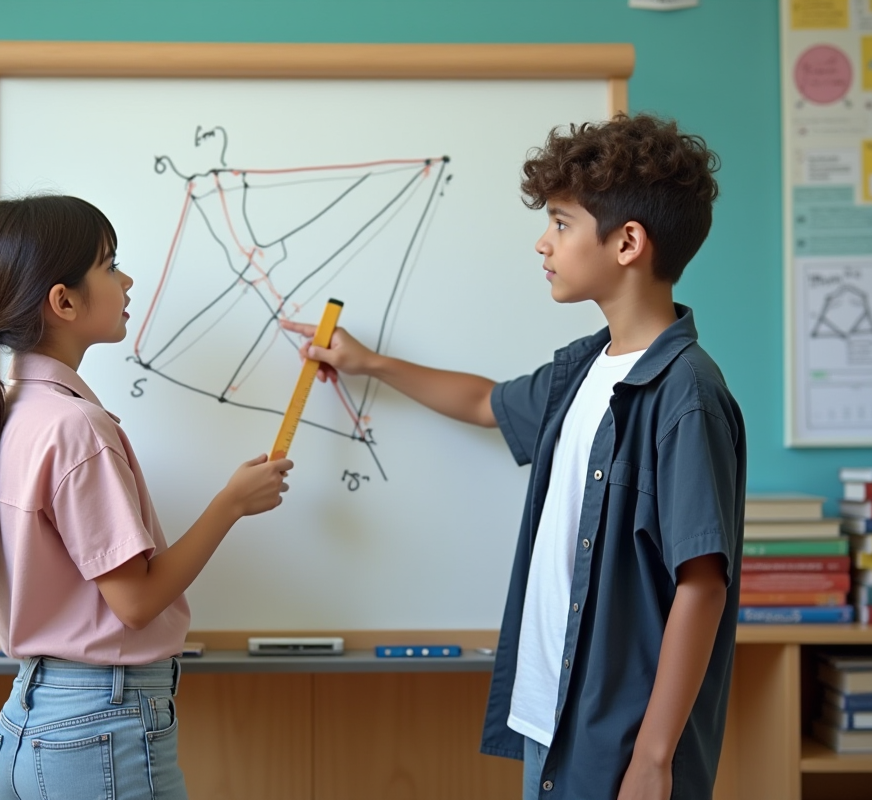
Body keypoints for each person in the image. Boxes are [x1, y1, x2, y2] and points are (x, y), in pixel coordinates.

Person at [282, 113, 745, 800]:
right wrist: (369, 362)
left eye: (560, 223)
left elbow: (702, 585)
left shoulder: (686, 396)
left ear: (627, 242)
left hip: (619, 746)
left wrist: (654, 761)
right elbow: (485, 402)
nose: (542, 242)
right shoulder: (584, 370)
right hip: (549, 722)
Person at [0, 195, 293, 800]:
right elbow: (136, 601)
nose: (127, 281)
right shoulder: (76, 427)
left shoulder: (8, 412)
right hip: (98, 728)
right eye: (110, 265)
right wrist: (230, 503)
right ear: (64, 302)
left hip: (30, 727)